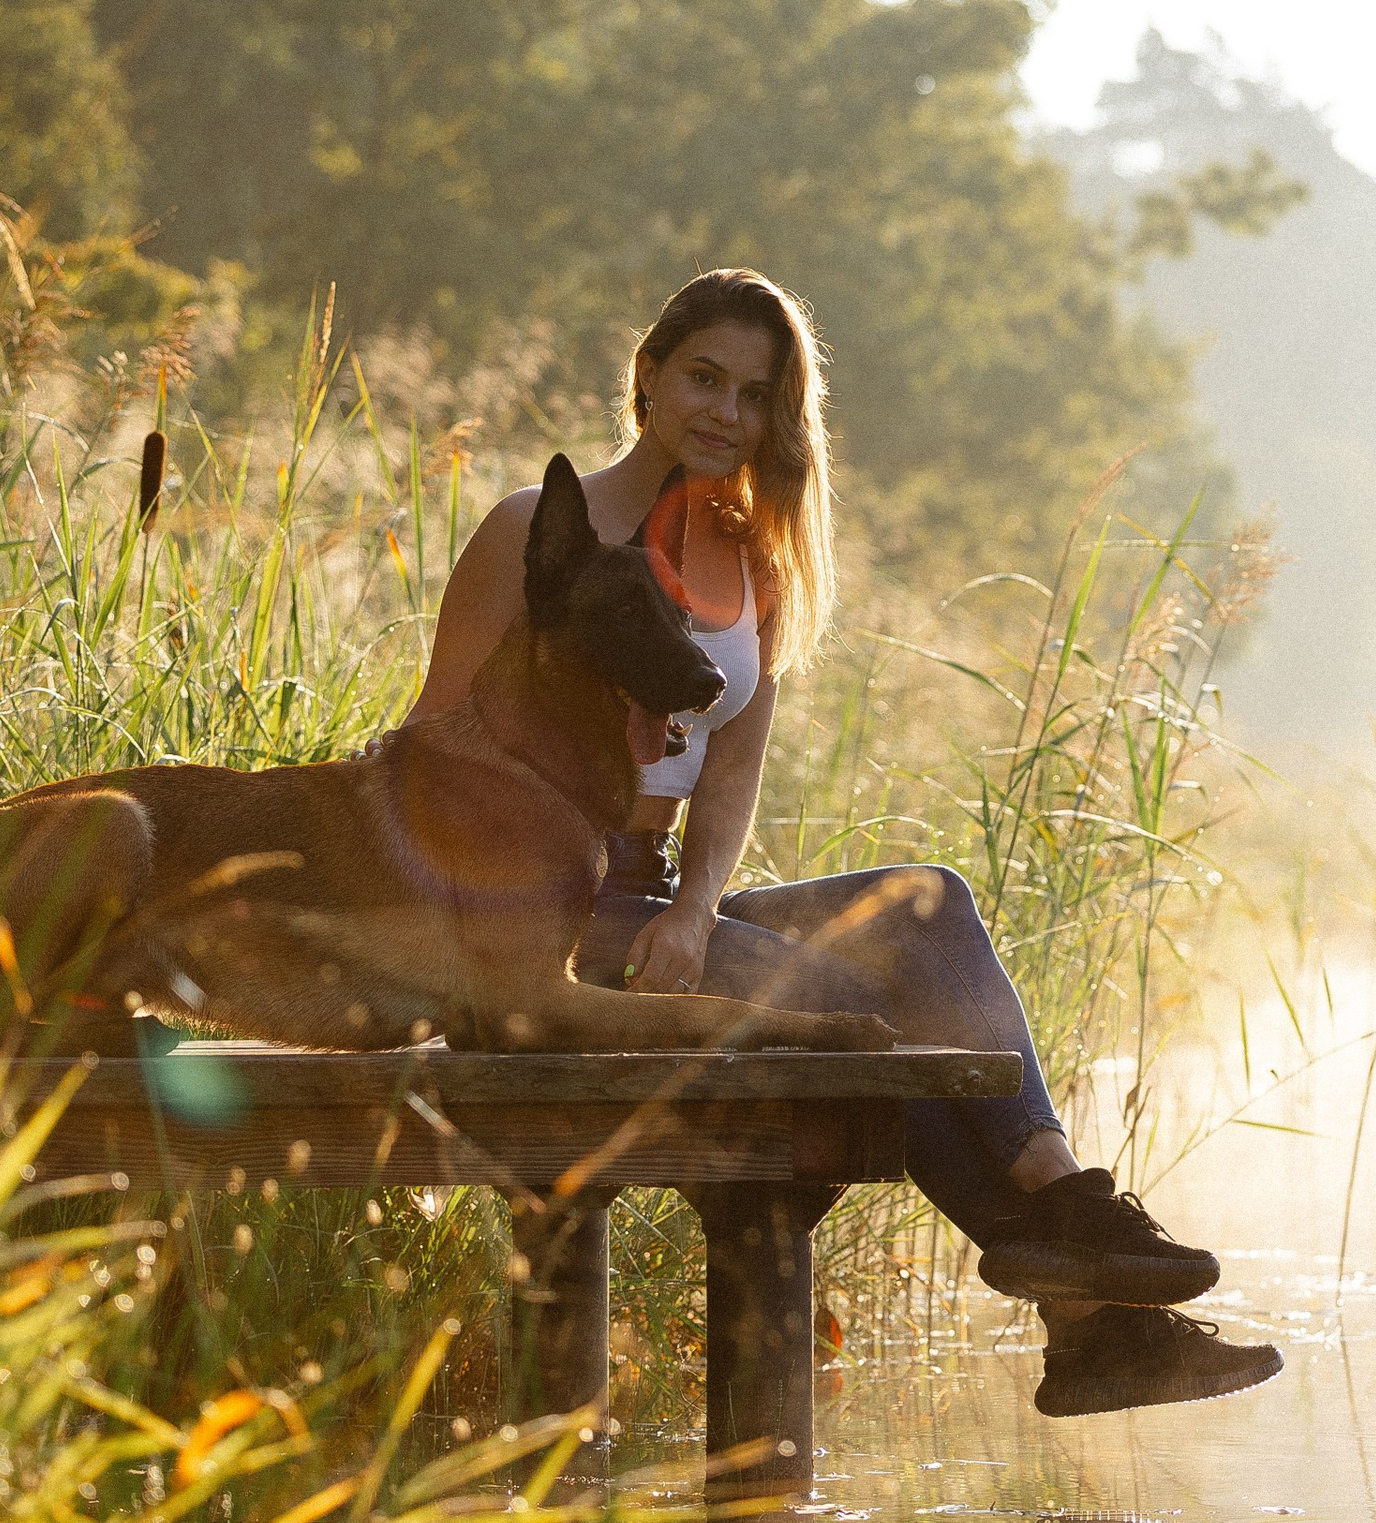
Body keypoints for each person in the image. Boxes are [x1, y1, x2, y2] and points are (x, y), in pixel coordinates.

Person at [411, 267, 1282, 1420]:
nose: (725, 410)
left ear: (781, 418)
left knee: (926, 905)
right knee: (851, 1015)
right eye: (703, 377)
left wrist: (689, 911)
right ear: (648, 377)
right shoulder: (536, 527)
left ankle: (1065, 1235)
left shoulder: (751, 566)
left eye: (755, 394)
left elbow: (728, 782)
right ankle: (1081, 1279)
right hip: (538, 910)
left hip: (661, 893)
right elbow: (436, 741)